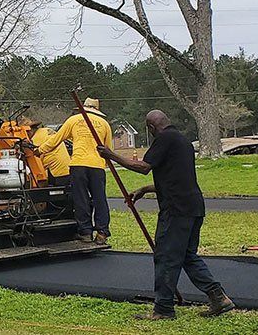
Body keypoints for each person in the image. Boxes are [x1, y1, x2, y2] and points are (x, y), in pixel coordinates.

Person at [98, 110, 234, 320]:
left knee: (165, 256)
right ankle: (218, 297)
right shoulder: (183, 141)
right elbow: (175, 178)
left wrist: (111, 155)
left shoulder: (164, 139)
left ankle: (163, 309)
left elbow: (143, 166)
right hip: (194, 206)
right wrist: (145, 189)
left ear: (151, 128)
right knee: (187, 256)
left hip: (176, 210)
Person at [39, 98, 113, 244]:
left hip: (78, 165)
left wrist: (39, 150)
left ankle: (85, 232)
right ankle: (102, 233)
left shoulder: (74, 120)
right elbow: (108, 149)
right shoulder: (104, 125)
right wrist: (106, 164)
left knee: (81, 199)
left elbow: (56, 139)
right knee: (100, 199)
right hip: (97, 166)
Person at [25, 119, 70, 187]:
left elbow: (34, 159)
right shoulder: (46, 131)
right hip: (66, 169)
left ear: (29, 131)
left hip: (56, 173)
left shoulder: (36, 139)